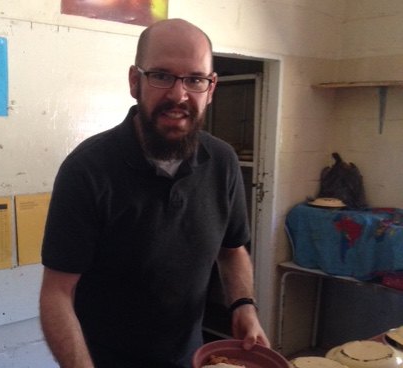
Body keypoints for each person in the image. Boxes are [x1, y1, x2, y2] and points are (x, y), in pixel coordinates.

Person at [40, 18, 270, 368]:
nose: (179, 95)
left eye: (195, 79)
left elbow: (232, 249)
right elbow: (57, 294)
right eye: (162, 75)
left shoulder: (222, 161)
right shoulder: (86, 170)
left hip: (193, 356)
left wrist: (243, 306)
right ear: (135, 81)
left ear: (211, 88)